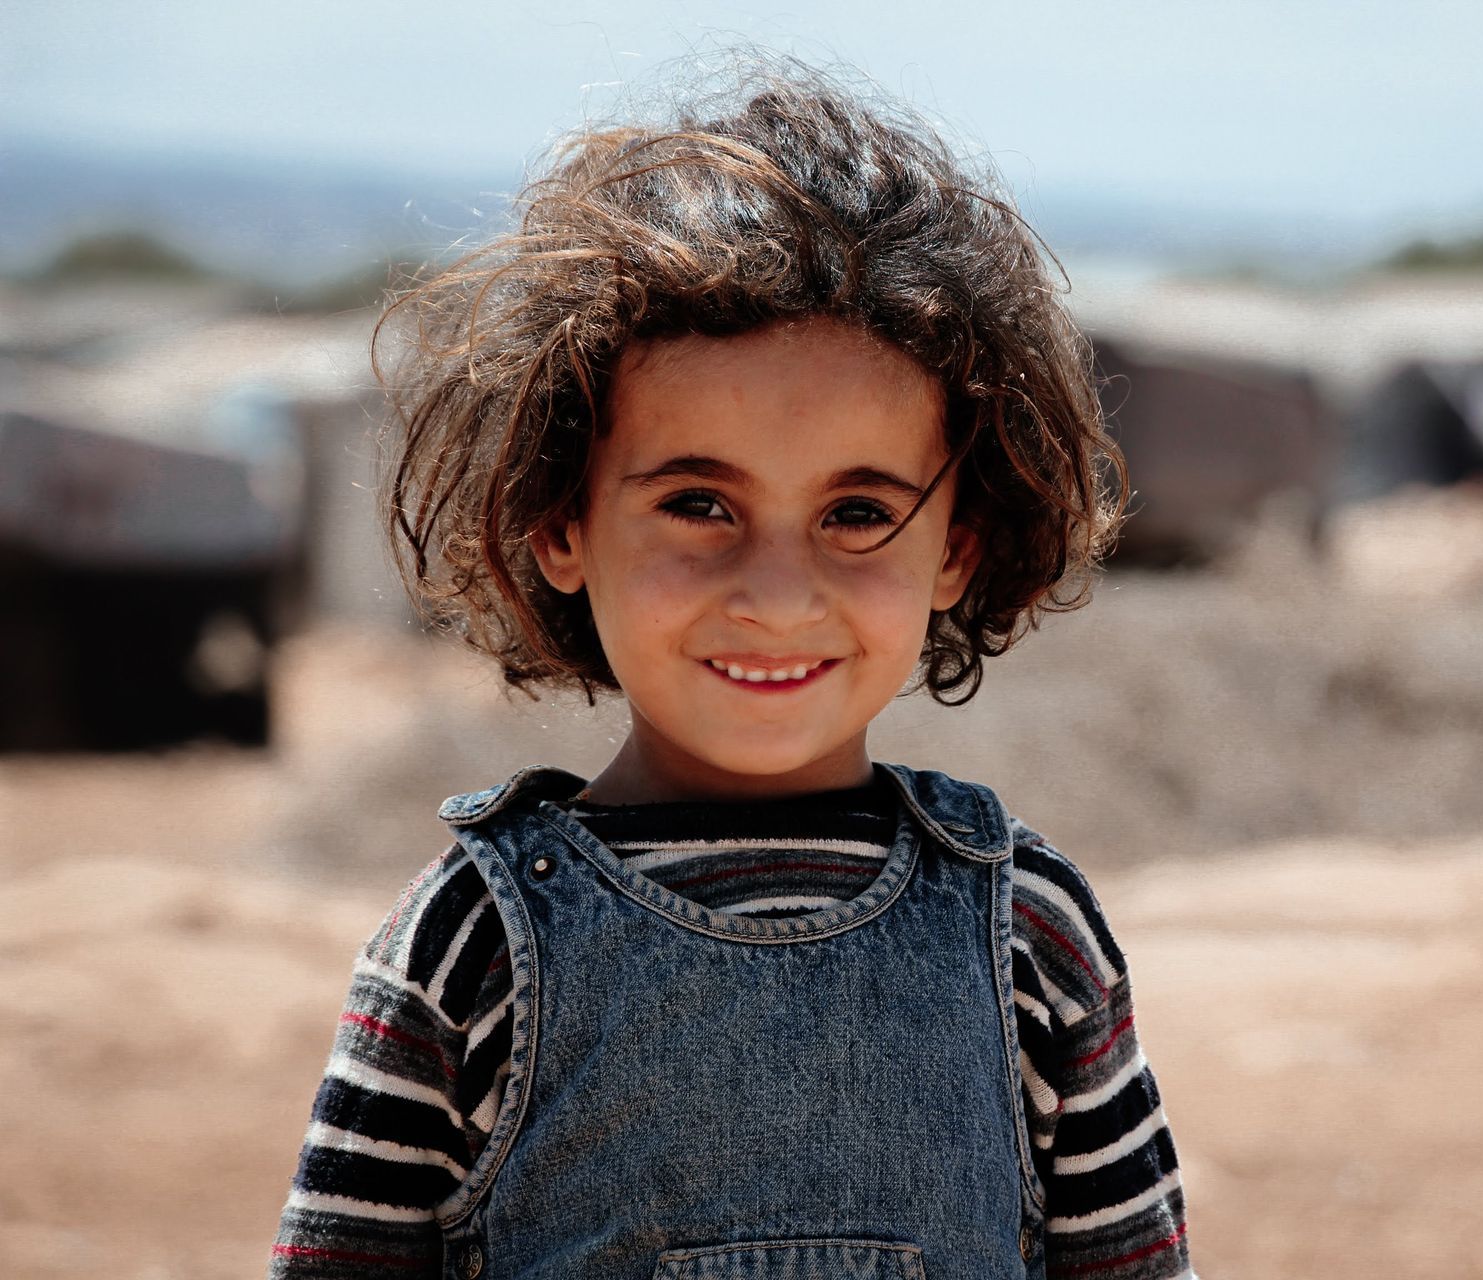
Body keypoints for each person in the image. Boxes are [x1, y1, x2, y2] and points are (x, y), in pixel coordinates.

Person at [269, 58, 1194, 1280]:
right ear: (560, 523)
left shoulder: (1028, 931)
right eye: (700, 501)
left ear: (956, 548)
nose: (775, 592)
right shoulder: (467, 942)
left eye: (859, 512)